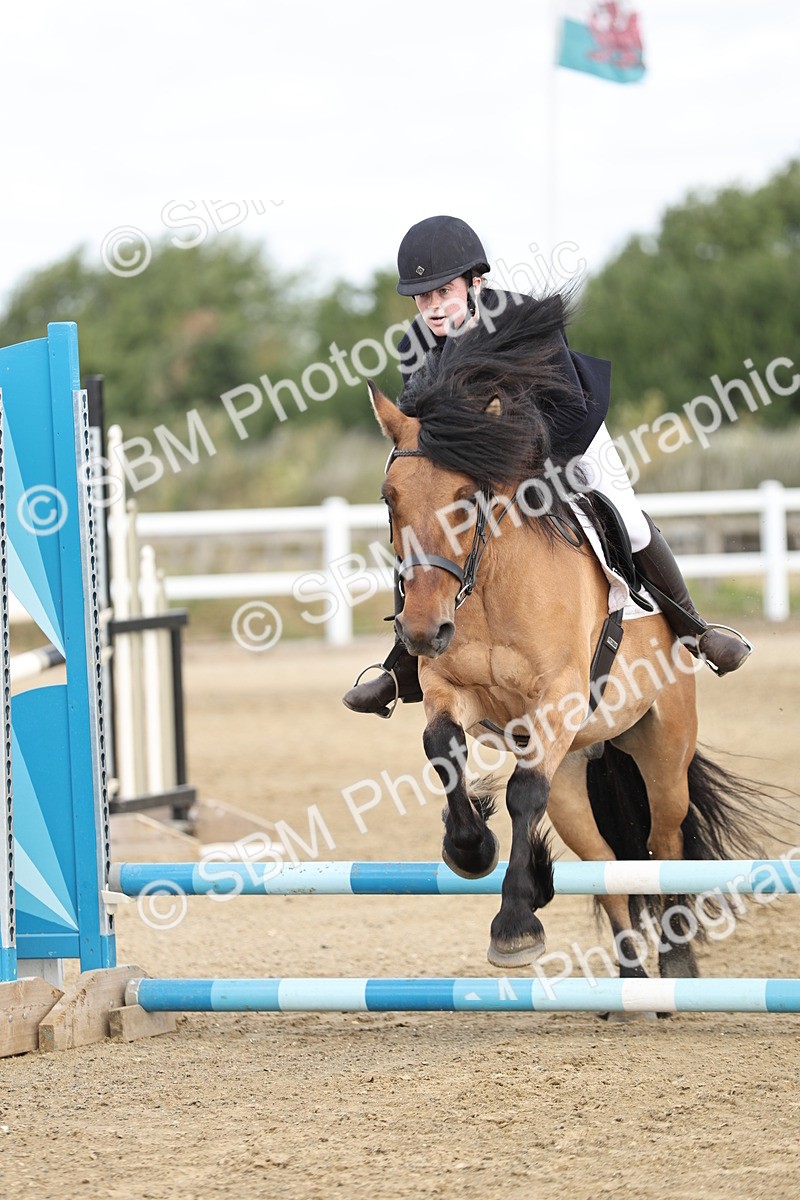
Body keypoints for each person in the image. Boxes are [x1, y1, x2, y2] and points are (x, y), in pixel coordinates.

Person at [343, 215, 751, 717]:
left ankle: (695, 629)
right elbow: (422, 424)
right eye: (422, 297)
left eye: (442, 292)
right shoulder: (416, 345)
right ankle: (403, 663)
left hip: (566, 437)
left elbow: (569, 412)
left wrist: (517, 469)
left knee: (626, 520)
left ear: (475, 283)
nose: (431, 307)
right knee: (422, 530)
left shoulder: (524, 319)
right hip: (481, 463)